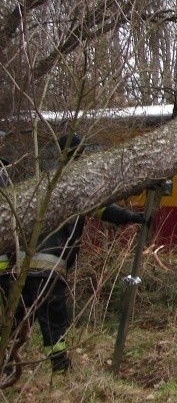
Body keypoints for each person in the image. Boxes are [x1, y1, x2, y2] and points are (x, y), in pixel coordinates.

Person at [0, 134, 145, 377]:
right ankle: (59, 370)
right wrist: (130, 216)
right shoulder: (76, 187)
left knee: (13, 322)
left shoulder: (44, 184)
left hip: (21, 270)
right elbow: (104, 210)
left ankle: (6, 366)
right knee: (54, 325)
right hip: (50, 271)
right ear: (80, 154)